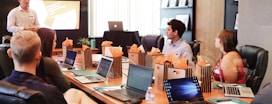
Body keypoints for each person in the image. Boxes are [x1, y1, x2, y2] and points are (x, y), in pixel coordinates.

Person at [3, 31, 97, 104]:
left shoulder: (3, 87)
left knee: (74, 93)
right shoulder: (49, 92)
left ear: (10, 53)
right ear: (39, 56)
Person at [36, 28, 70, 93]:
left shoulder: (33, 59)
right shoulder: (49, 62)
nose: (55, 44)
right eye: (54, 41)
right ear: (48, 43)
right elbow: (66, 86)